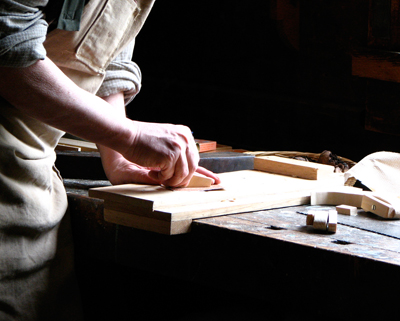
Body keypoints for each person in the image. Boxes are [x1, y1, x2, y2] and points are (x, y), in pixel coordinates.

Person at [0, 0, 220, 320]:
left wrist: (118, 157)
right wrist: (128, 136)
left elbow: (107, 51)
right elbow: (8, 50)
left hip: (33, 180)